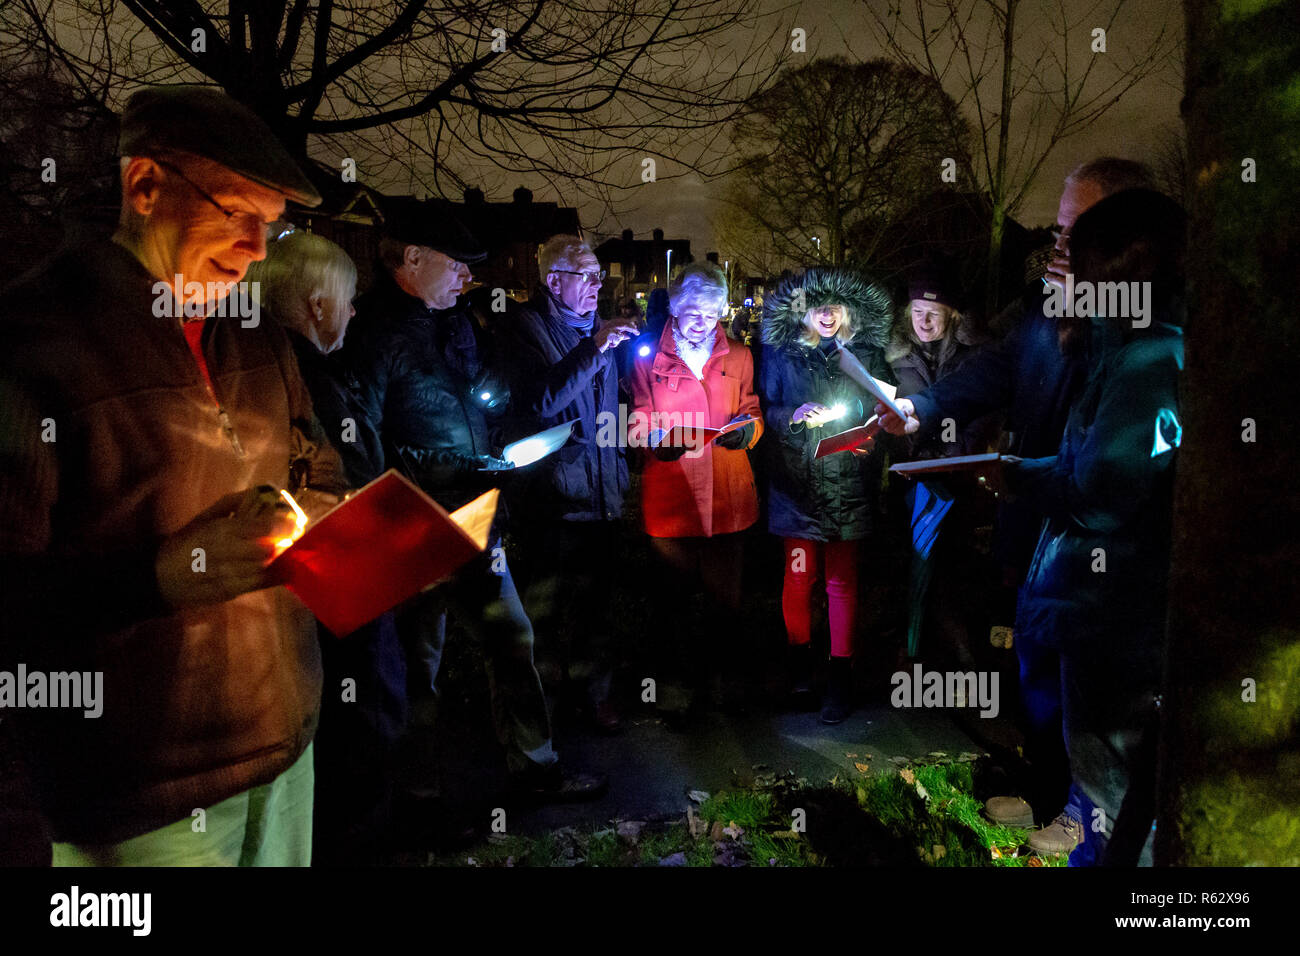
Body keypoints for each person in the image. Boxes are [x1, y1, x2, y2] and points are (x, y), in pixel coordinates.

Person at [0, 85, 348, 866]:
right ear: (144, 187)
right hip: (137, 800)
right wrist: (161, 577)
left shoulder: (257, 334)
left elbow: (319, 463)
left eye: (275, 224)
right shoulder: (33, 345)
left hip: (286, 752)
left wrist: (341, 527)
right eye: (237, 213)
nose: (261, 249)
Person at [876, 157, 1156, 856]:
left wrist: (1025, 474)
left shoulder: (1136, 329)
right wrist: (922, 406)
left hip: (1089, 537)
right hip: (1036, 525)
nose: (1057, 249)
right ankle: (1053, 798)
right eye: (1057, 232)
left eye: (1074, 232)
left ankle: (1092, 823)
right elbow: (996, 368)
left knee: (1082, 685)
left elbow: (1109, 462)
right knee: (1033, 668)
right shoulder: (1045, 302)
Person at [346, 211, 602, 804]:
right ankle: (417, 793)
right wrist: (419, 481)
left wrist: (497, 444)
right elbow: (360, 438)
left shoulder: (457, 324)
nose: (467, 279)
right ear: (411, 259)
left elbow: (488, 400)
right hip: (412, 527)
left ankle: (535, 768)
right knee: (417, 662)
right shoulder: (376, 335)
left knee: (511, 637)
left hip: (474, 514)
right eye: (456, 265)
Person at [1002, 188, 1185, 865]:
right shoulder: (1127, 348)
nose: (1062, 275)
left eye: (1073, 260)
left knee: (1113, 801)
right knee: (1112, 792)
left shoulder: (1143, 361)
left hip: (1110, 613)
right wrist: (1027, 466)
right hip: (1100, 606)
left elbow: (1105, 494)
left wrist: (1022, 479)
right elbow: (1097, 463)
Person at [248, 233, 406, 864]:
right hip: (339, 601)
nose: (355, 313)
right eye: (347, 299)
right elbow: (336, 483)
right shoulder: (301, 382)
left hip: (341, 595)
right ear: (317, 305)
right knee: (356, 754)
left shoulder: (292, 372)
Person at [495, 235, 638, 732]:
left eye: (601, 275)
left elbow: (605, 412)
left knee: (598, 609)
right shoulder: (522, 328)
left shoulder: (599, 331)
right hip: (552, 499)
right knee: (546, 612)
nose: (599, 284)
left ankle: (594, 697)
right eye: (588, 275)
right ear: (554, 280)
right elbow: (540, 404)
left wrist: (629, 441)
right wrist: (593, 349)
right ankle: (545, 712)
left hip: (602, 494)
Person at [757, 267, 895, 724]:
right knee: (799, 577)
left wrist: (873, 432)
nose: (827, 314)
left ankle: (840, 678)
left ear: (848, 310)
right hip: (798, 484)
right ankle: (799, 669)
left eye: (835, 306)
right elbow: (766, 409)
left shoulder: (868, 355)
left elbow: (886, 409)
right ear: (802, 310)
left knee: (842, 581)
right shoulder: (780, 354)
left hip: (849, 484)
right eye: (818, 306)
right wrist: (793, 415)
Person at [627, 262, 763, 720]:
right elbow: (639, 415)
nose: (703, 320)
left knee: (727, 603)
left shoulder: (740, 355)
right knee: (674, 607)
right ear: (676, 307)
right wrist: (656, 441)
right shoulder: (648, 357)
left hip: (728, 498)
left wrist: (748, 432)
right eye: (693, 310)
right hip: (673, 497)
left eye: (711, 311)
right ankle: (680, 692)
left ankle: (725, 687)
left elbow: (751, 410)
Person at [884, 261, 1000, 670]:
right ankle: (915, 650)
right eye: (917, 312)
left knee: (954, 567)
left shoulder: (978, 353)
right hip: (913, 475)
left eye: (934, 313)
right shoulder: (893, 353)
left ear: (953, 315)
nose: (925, 321)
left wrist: (960, 448)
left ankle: (955, 655)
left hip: (962, 474)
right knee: (915, 560)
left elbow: (985, 404)